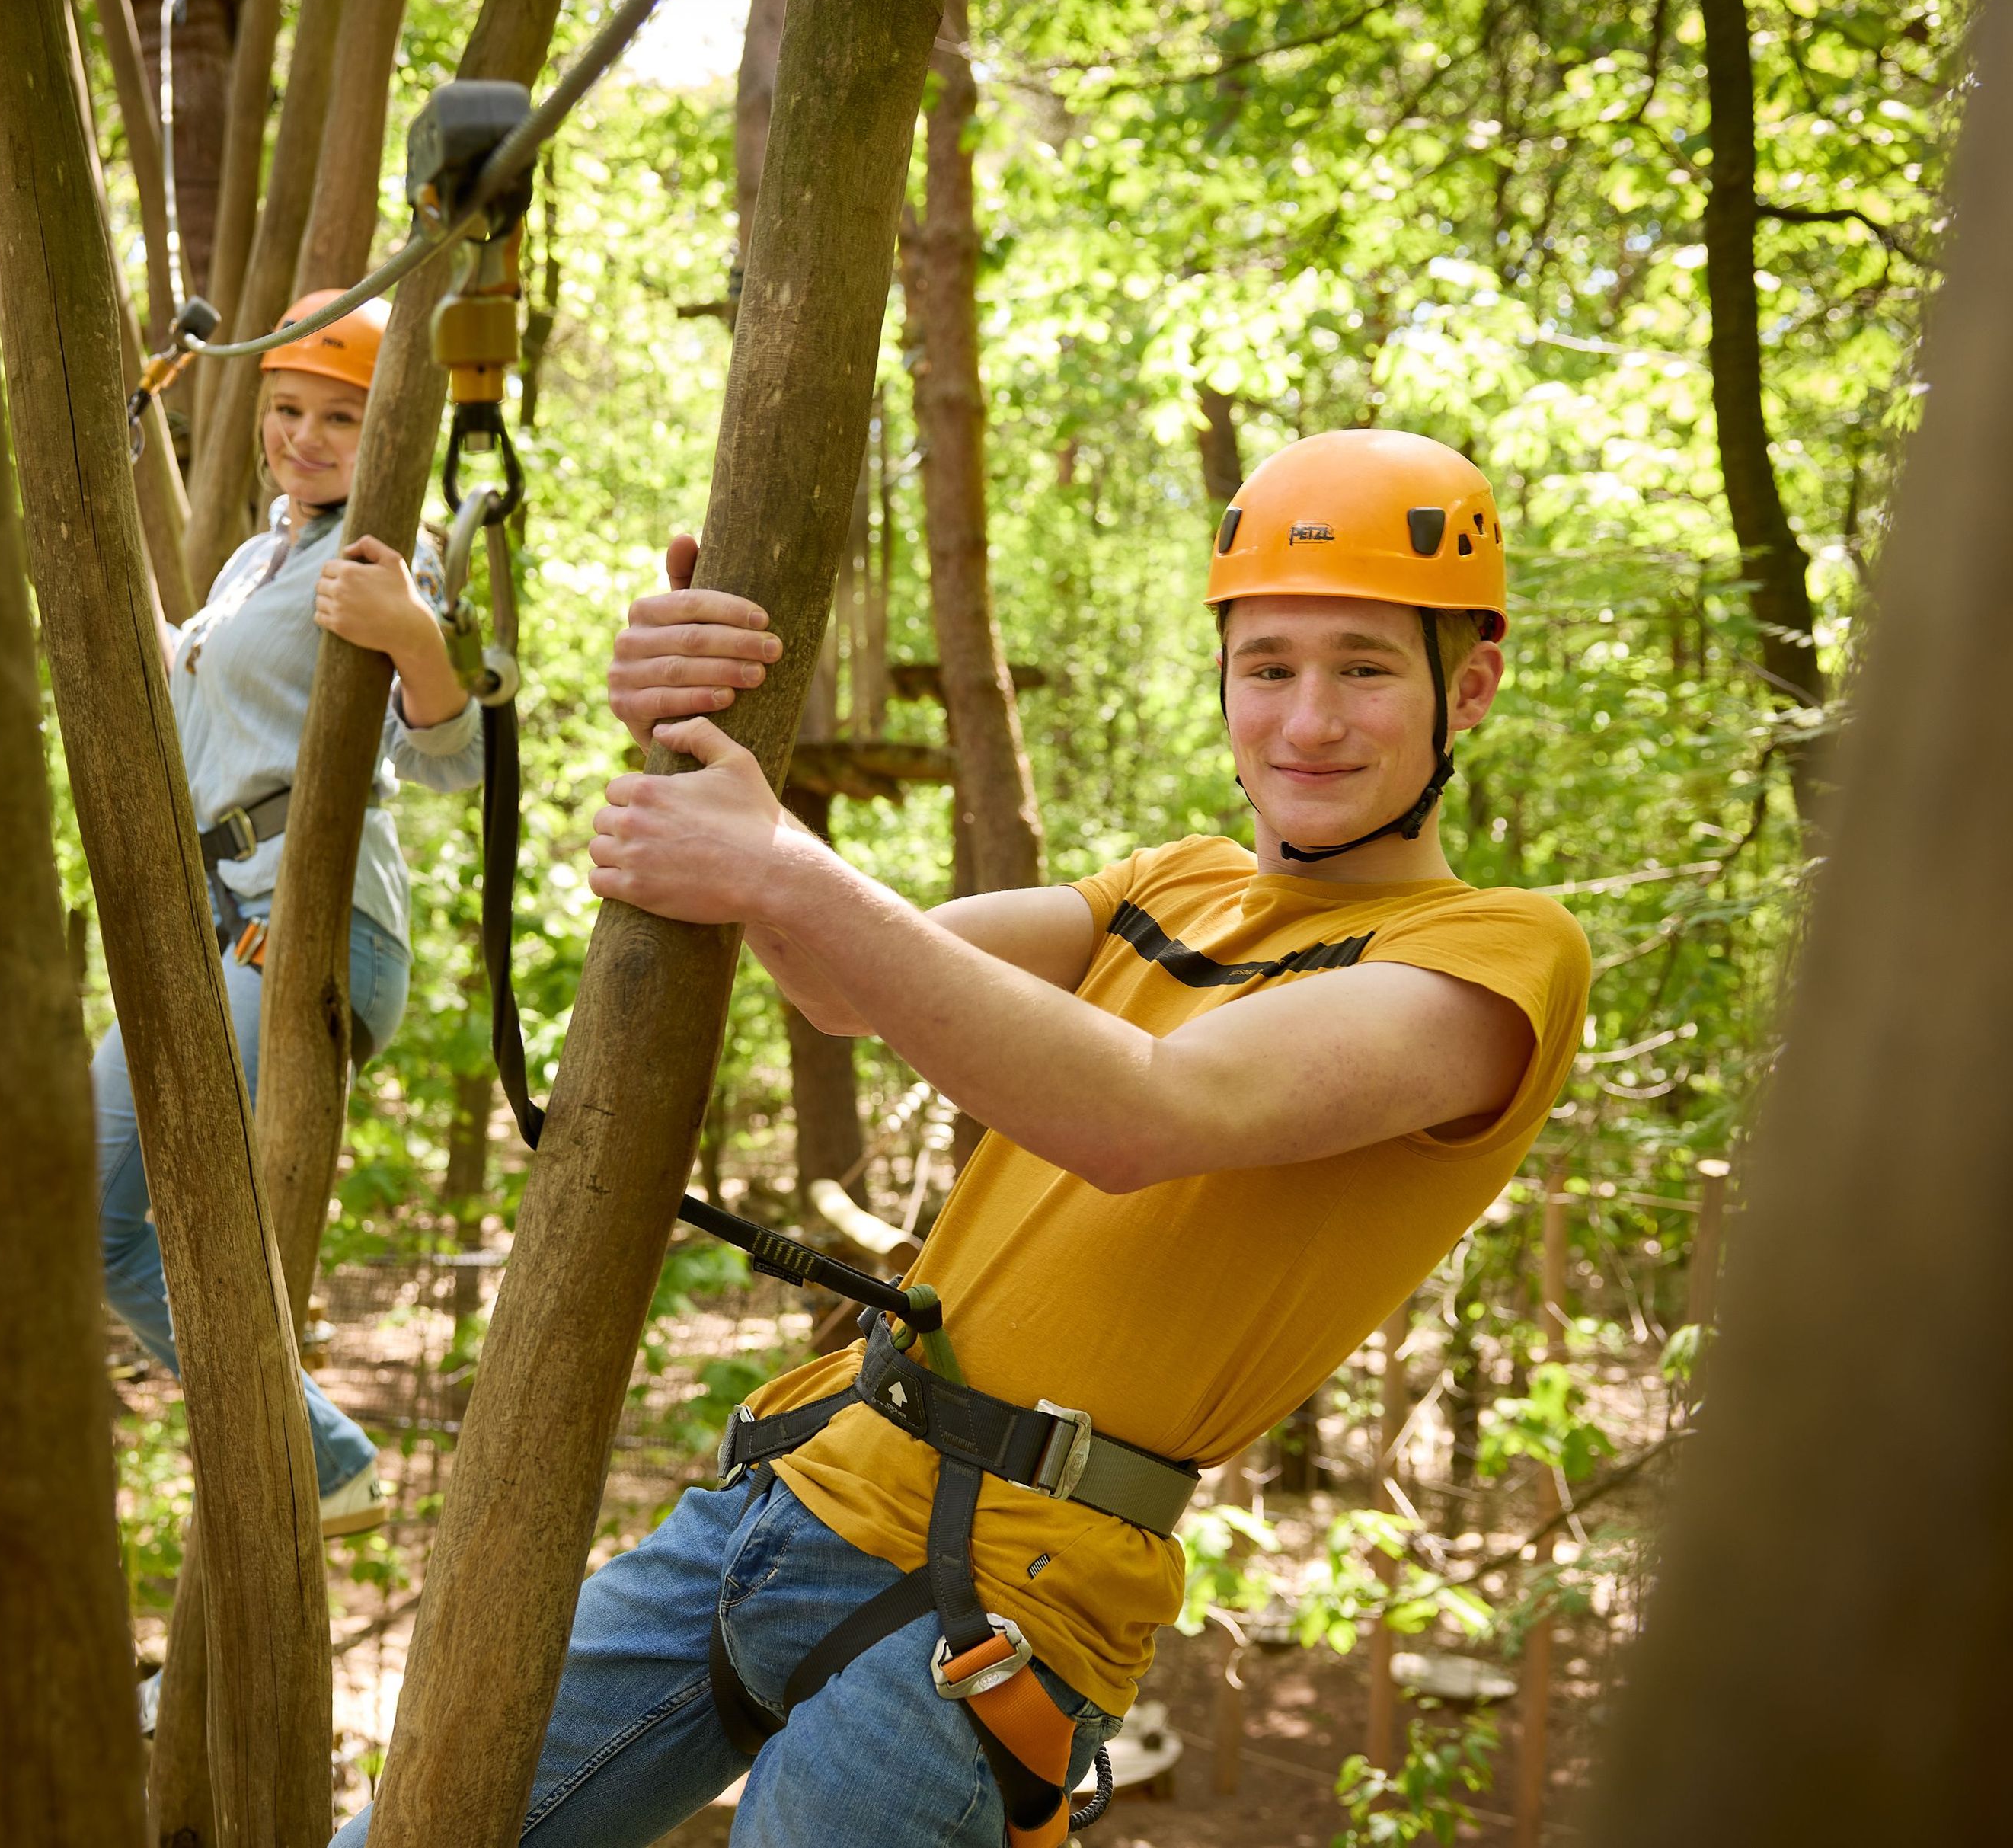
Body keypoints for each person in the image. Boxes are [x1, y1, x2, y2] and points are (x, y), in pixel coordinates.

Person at [331, 429, 1593, 1846]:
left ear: (1464, 687)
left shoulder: (1495, 960)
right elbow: (840, 974)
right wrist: (717, 735)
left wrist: (777, 861)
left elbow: (1147, 1112)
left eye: (1365, 665)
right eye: (1268, 665)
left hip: (999, 1606)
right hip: (796, 1491)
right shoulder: (1172, 884)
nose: (1306, 719)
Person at [94, 290, 482, 1546]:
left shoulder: (380, 554)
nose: (305, 438)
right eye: (286, 410)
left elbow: (448, 760)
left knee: (205, 1207)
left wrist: (417, 641)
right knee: (88, 1213)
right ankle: (314, 1453)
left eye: (340, 417)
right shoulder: (260, 556)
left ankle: (307, 1465)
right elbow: (193, 687)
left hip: (313, 928)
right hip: (217, 927)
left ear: (388, 437)